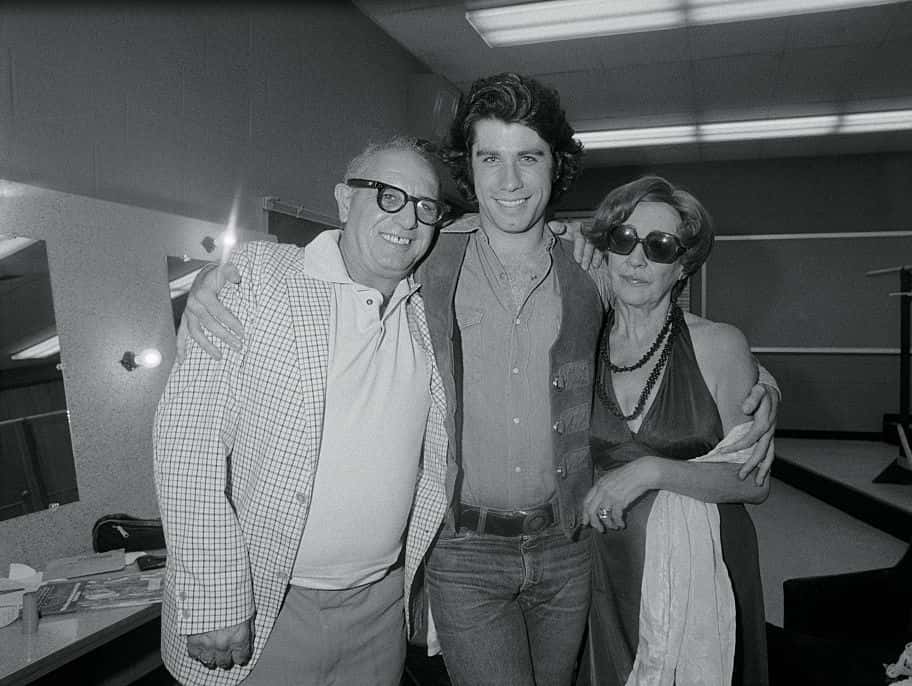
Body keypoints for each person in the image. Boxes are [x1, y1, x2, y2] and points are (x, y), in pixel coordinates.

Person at [177, 73, 779, 685]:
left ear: (556, 166)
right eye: (489, 157)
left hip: (568, 550)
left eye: (529, 158)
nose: (509, 181)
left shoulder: (589, 267)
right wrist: (227, 274)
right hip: (466, 554)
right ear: (469, 167)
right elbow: (349, 253)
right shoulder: (429, 256)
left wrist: (760, 383)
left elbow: (657, 321)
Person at [153, 136, 451, 686]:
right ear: (343, 200)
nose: (407, 219)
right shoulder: (259, 278)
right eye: (388, 195)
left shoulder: (426, 313)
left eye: (425, 207)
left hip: (381, 610)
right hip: (266, 604)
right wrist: (216, 596)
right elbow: (187, 443)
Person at [576, 176, 771, 685]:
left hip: (705, 569)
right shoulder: (578, 340)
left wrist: (651, 471)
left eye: (659, 246)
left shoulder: (717, 344)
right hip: (606, 567)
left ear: (683, 265)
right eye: (623, 239)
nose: (637, 259)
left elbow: (753, 481)